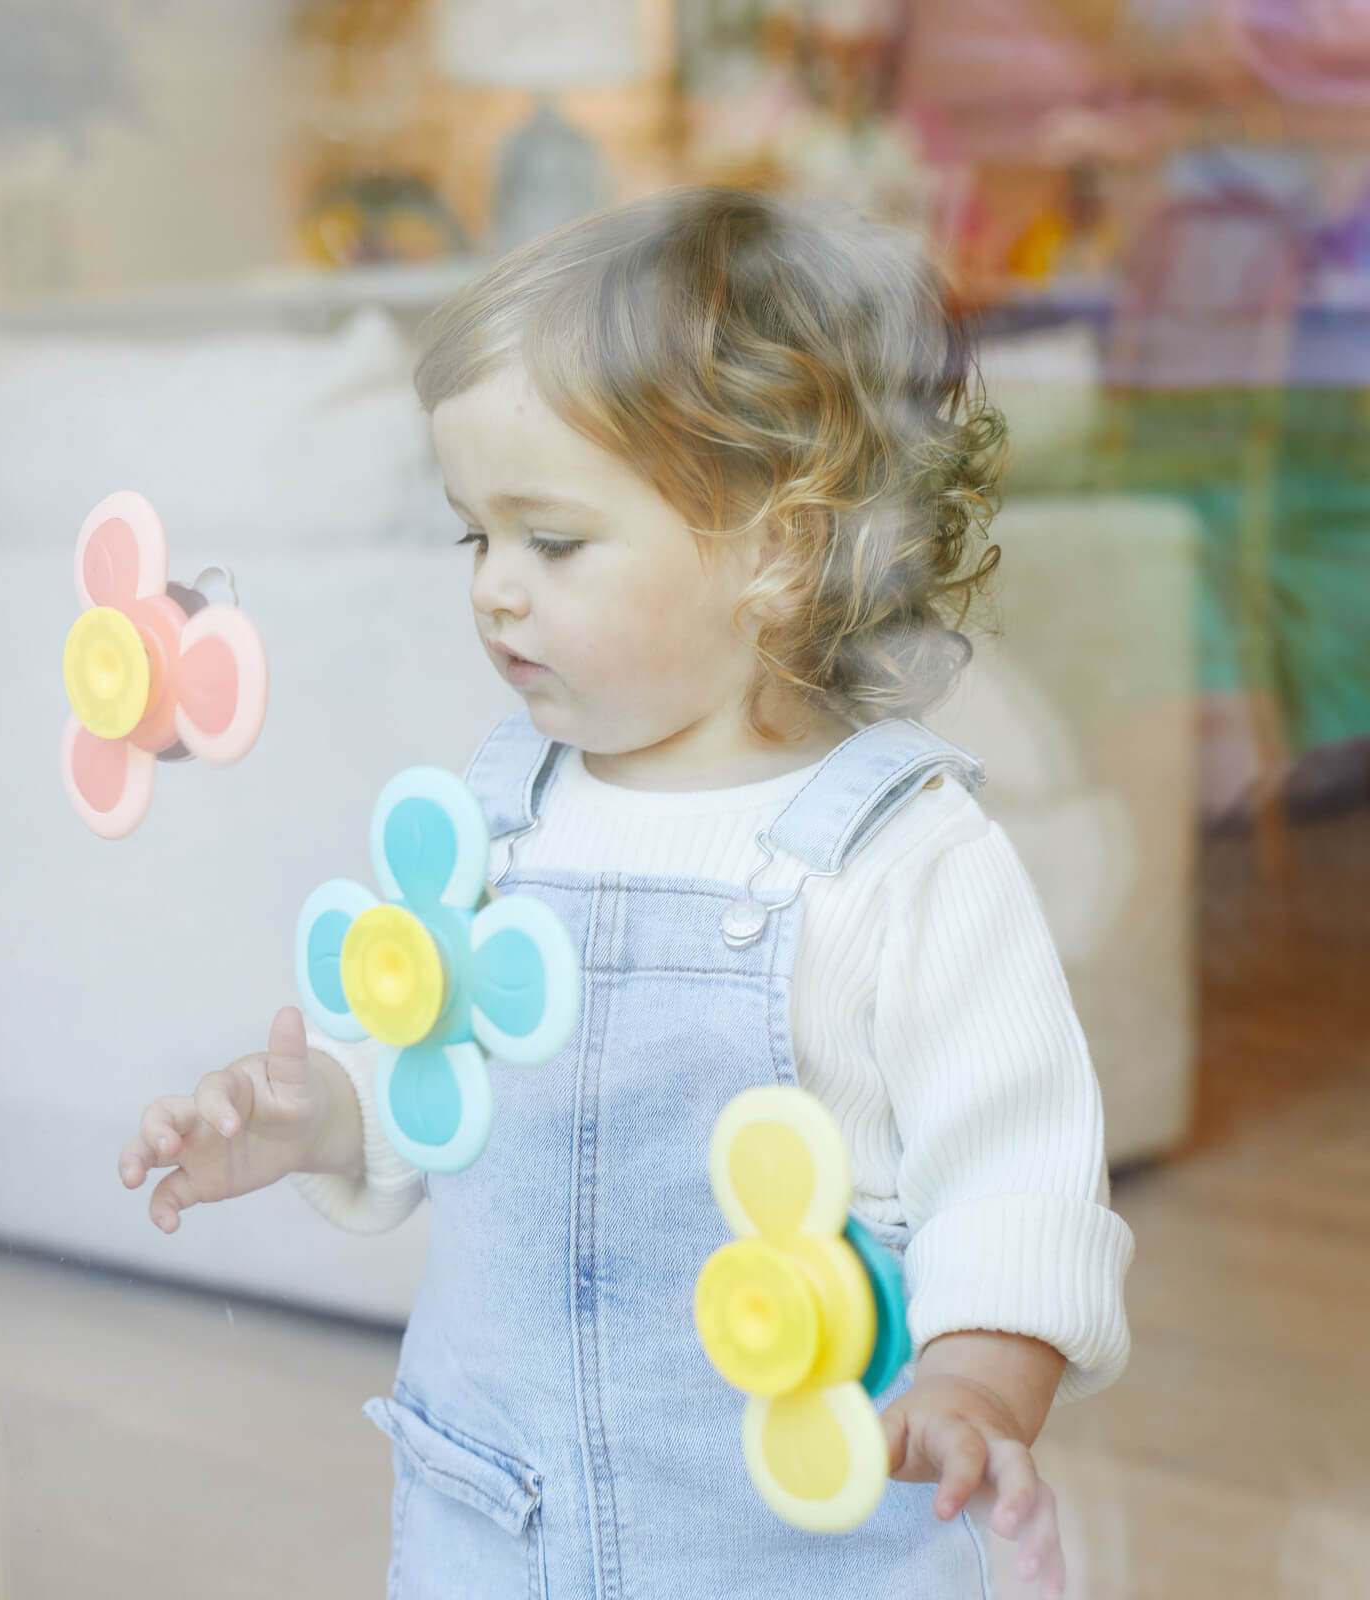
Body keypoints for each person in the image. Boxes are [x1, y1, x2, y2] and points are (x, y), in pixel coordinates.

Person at [119, 187, 1132, 1600]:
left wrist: (975, 1382)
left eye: (551, 540)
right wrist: (315, 1112)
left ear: (776, 550)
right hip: (506, 1520)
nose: (494, 589)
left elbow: (1016, 1176)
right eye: (475, 538)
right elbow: (434, 1069)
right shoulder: (496, 819)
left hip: (807, 1537)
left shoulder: (903, 858)